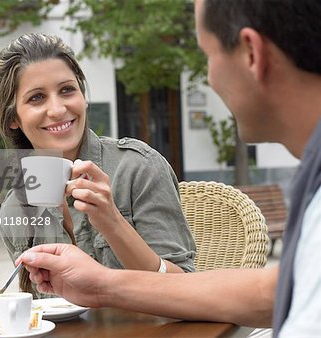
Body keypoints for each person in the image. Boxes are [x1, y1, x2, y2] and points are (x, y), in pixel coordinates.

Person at [18, 0, 321, 336]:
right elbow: (273, 292)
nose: (209, 78)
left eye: (208, 54)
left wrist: (112, 230)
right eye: (36, 98)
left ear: (252, 53)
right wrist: (101, 285)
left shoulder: (137, 164)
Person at [0, 33, 196, 296]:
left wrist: (111, 221)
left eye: (67, 90)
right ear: (13, 119)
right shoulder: (15, 208)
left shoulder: (138, 168)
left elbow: (184, 289)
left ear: (83, 96)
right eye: (36, 98)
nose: (57, 109)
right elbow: (39, 313)